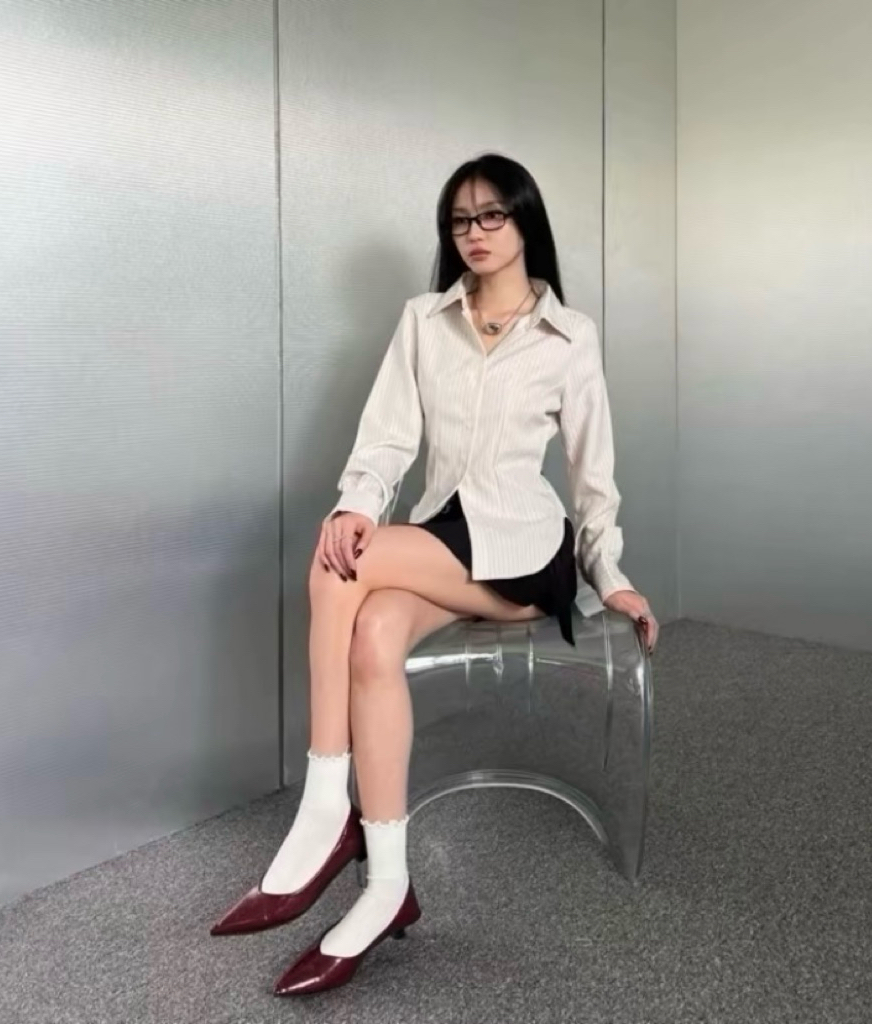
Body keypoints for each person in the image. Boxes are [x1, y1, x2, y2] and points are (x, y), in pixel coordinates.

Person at [209, 153, 659, 996]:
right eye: (460, 220)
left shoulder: (571, 335)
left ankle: (324, 811)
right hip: (443, 534)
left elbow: (592, 475)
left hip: (527, 551)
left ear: (525, 222)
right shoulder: (424, 320)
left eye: (492, 215)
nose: (474, 233)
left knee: (336, 567)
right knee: (374, 632)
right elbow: (387, 438)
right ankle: (388, 884)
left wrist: (612, 575)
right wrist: (358, 502)